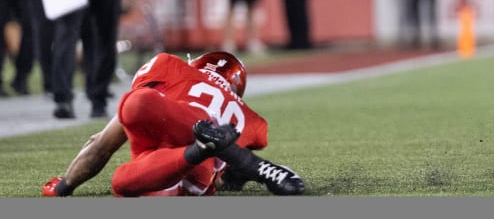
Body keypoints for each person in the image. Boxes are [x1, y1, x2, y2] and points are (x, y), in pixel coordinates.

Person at [41, 50, 305, 197]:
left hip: (164, 164)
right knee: (120, 182)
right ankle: (223, 154)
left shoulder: (170, 69)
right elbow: (221, 182)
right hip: (190, 178)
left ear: (198, 64)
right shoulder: (245, 117)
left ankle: (209, 149)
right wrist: (239, 173)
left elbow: (101, 144)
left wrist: (65, 185)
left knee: (136, 103)